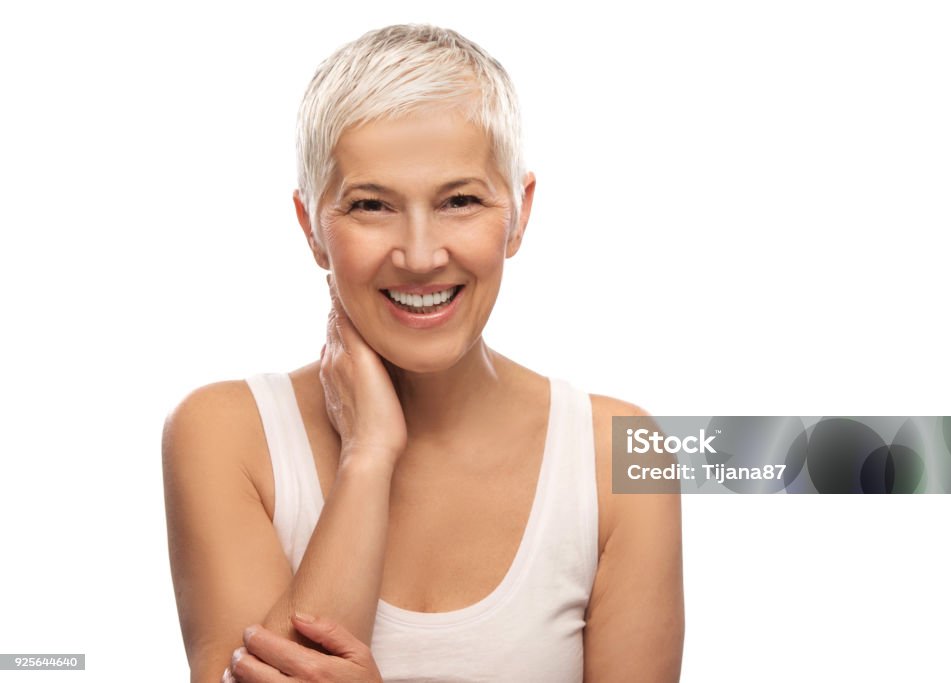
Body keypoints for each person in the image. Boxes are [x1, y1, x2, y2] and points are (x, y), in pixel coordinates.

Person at [162, 23, 683, 683]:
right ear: (311, 229)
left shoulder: (619, 451)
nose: (419, 254)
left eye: (460, 200)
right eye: (371, 205)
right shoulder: (224, 433)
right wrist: (368, 455)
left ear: (518, 213)